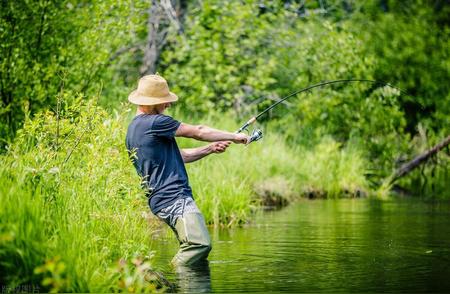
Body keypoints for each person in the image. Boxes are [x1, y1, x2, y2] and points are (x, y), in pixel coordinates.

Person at [125, 74, 249, 266]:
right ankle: (167, 280)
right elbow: (198, 131)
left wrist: (209, 149)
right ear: (151, 103)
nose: (168, 105)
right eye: (164, 101)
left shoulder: (134, 128)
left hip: (162, 200)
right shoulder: (155, 122)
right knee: (197, 245)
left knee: (194, 248)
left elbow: (177, 156)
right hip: (174, 198)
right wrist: (234, 136)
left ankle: (174, 282)